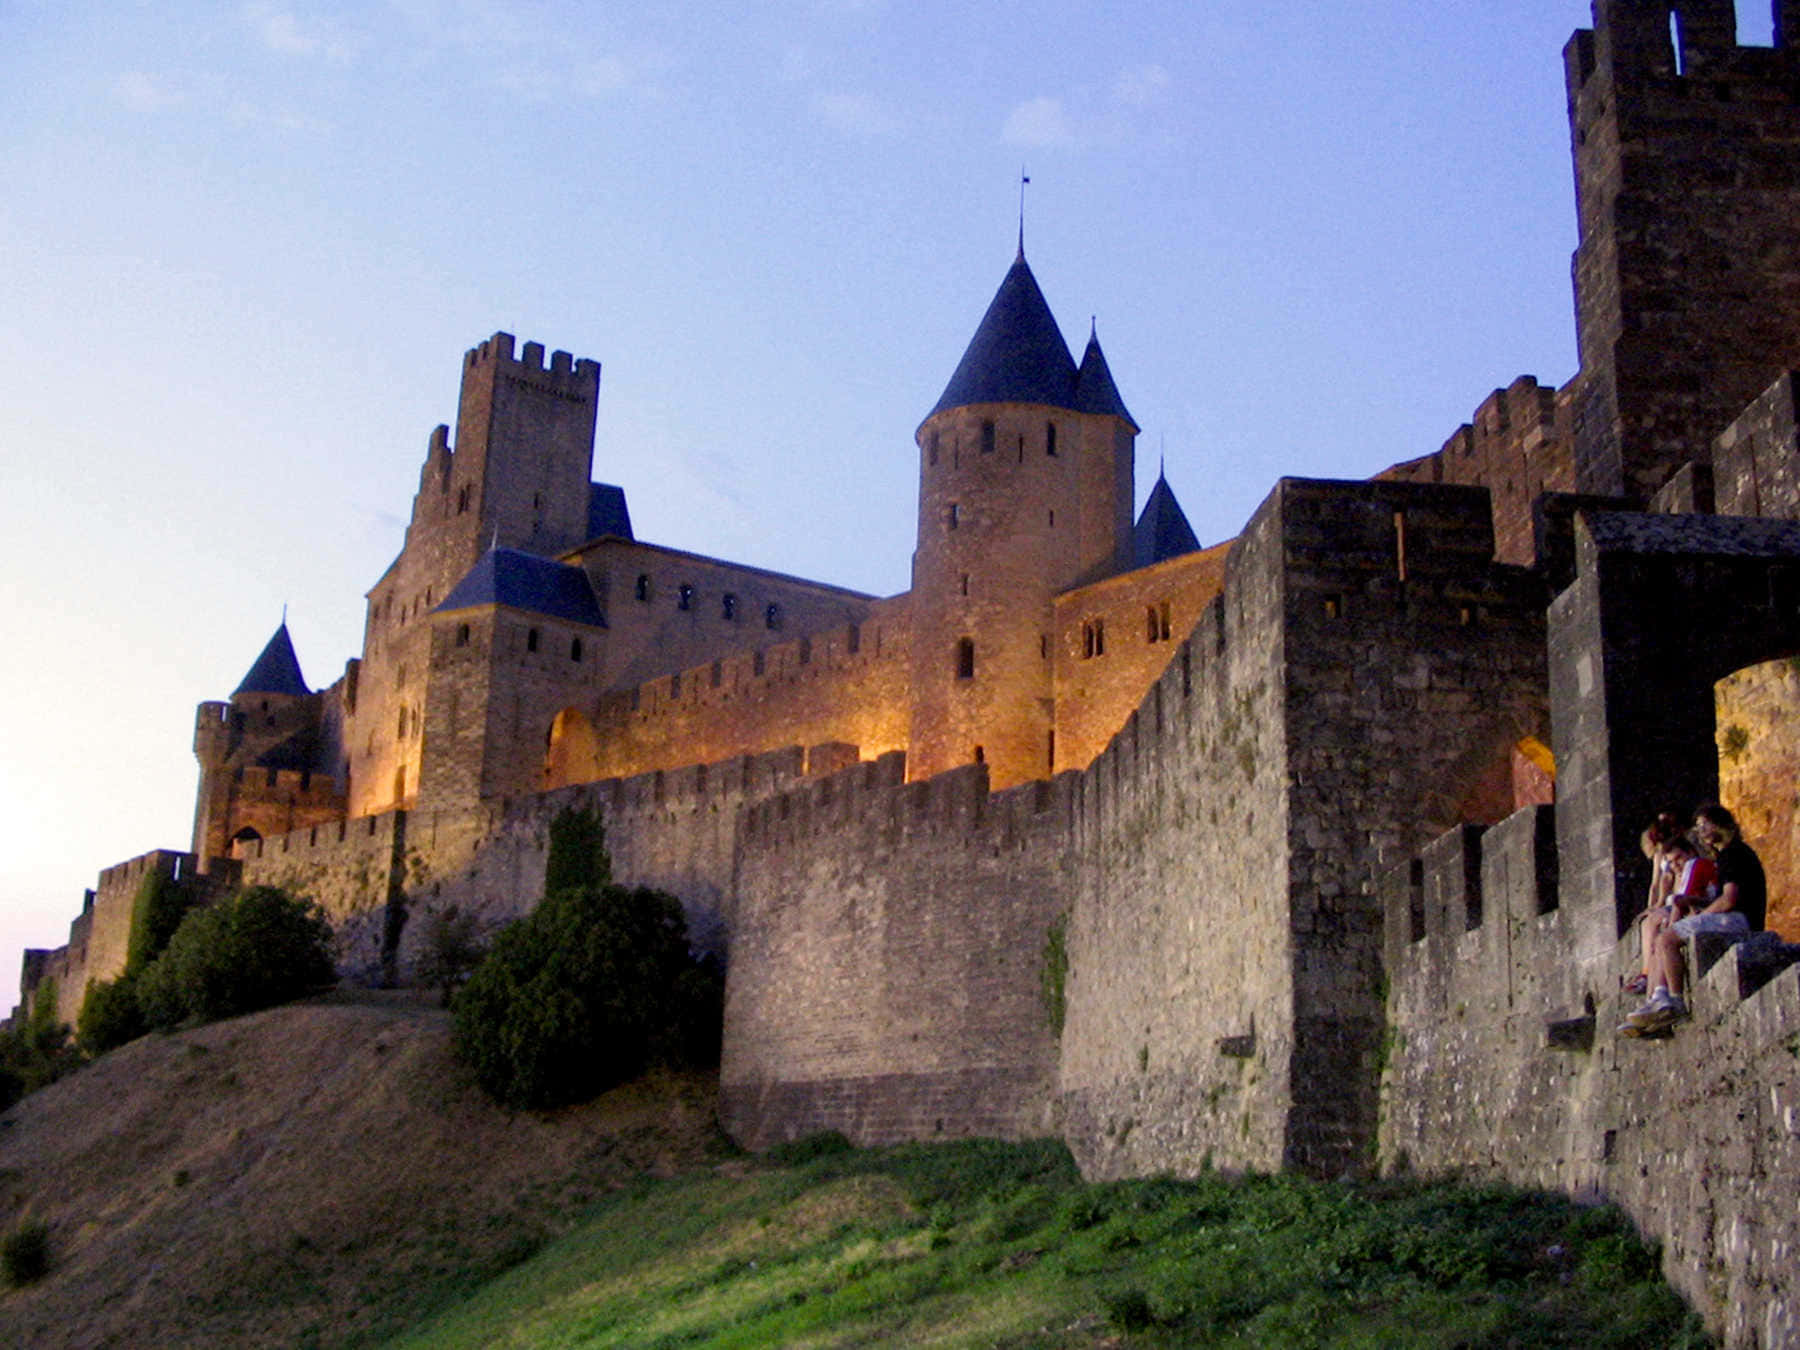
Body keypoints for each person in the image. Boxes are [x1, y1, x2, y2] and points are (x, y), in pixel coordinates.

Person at [1621, 804, 1765, 1035]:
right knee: (1661, 940)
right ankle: (1656, 1000)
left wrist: (1699, 916)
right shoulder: (1725, 856)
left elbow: (1729, 901)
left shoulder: (1734, 853)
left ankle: (1675, 1001)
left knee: (1667, 938)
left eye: (1703, 825)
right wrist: (1691, 903)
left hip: (1740, 920)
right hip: (1733, 916)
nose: (1700, 831)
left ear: (1720, 823)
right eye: (1697, 827)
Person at [1626, 833, 1717, 996]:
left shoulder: (1695, 865)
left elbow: (1681, 901)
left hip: (1703, 912)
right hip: (1695, 910)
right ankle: (1651, 993)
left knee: (1661, 936)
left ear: (1691, 852)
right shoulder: (1681, 872)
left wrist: (1671, 923)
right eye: (1671, 863)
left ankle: (1656, 988)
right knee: (1654, 935)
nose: (1676, 865)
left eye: (1679, 858)